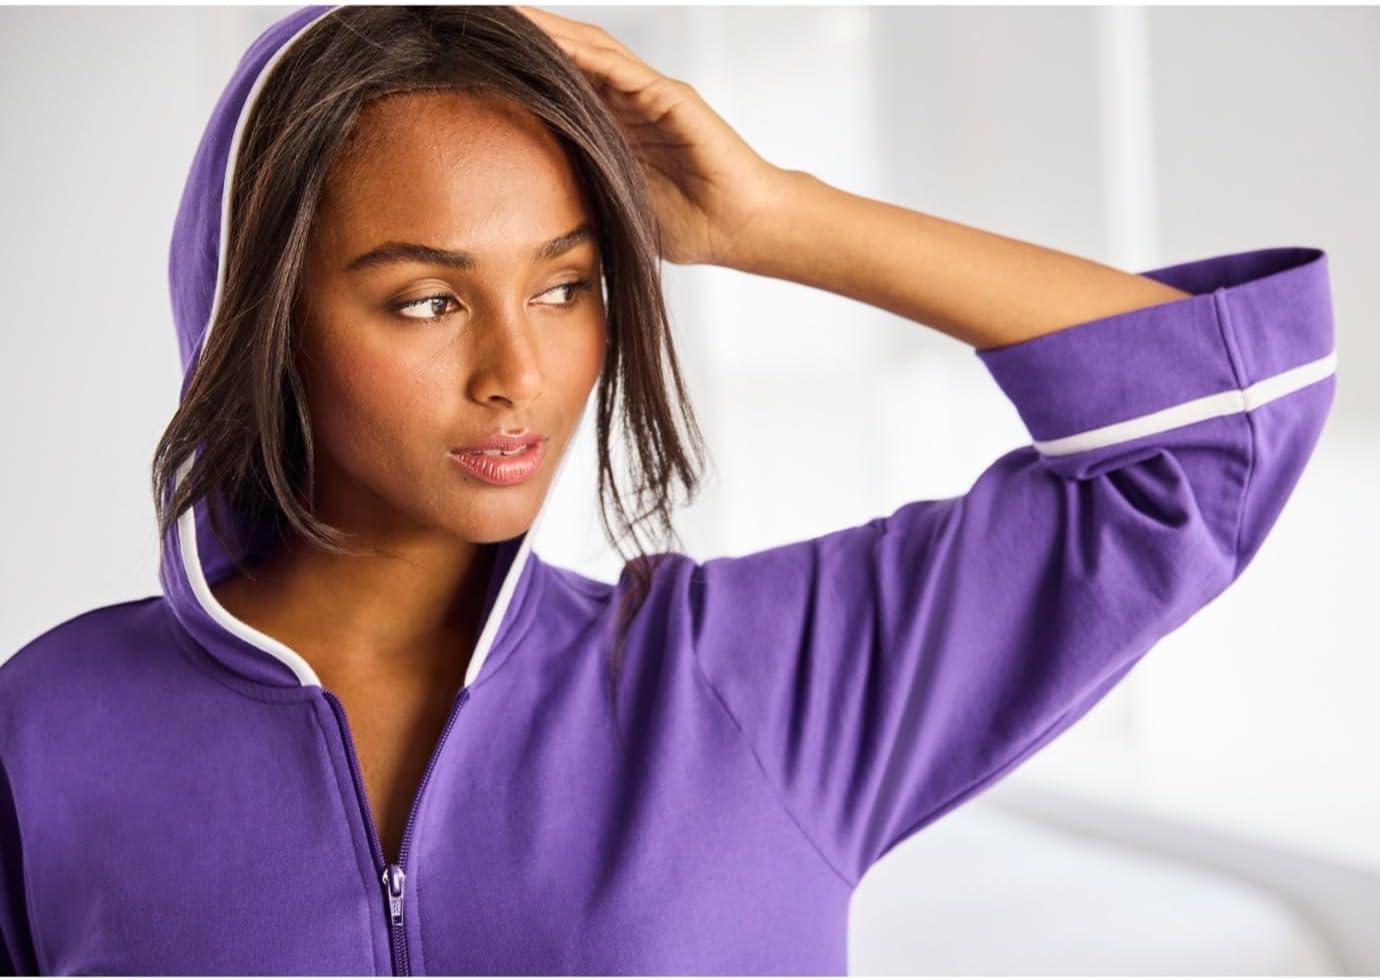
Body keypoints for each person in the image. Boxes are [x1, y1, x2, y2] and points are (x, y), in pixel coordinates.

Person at [0, 4, 1337, 975]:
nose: (518, 372)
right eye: (426, 301)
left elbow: (1220, 431)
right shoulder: (48, 731)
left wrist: (775, 217)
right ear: (262, 318)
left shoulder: (760, 678)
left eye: (566, 285)